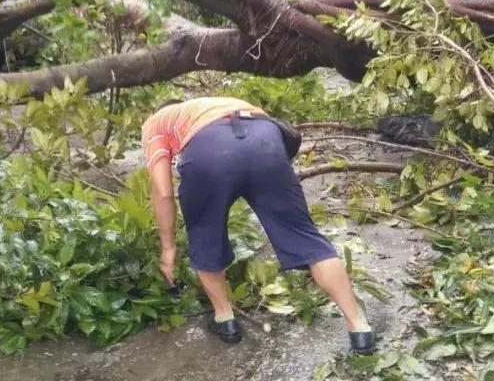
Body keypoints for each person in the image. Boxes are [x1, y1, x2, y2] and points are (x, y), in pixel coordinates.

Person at [142, 97, 375, 354]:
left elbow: (163, 192)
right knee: (304, 237)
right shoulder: (212, 105)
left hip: (209, 152)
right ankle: (359, 326)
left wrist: (168, 248)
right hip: (264, 138)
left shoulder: (156, 122)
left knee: (205, 235)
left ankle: (225, 319)